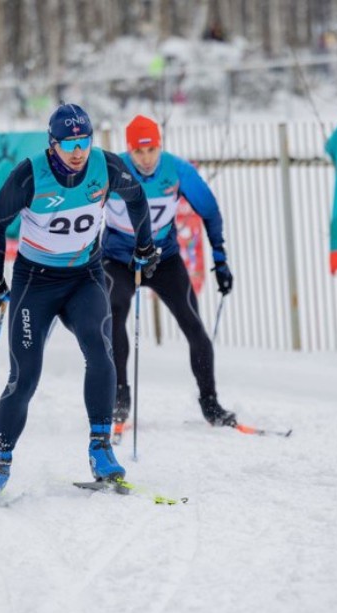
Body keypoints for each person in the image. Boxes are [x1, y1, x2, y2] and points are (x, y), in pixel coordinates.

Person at [0, 103, 158, 496]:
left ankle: (101, 448)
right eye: (69, 143)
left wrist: (145, 247)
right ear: (52, 144)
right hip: (34, 282)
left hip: (84, 277)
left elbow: (137, 200)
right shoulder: (30, 175)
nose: (78, 151)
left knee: (100, 348)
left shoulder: (105, 166)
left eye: (84, 141)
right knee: (24, 376)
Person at [102, 114, 236, 429]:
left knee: (194, 326)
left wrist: (220, 258)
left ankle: (211, 404)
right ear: (129, 150)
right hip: (119, 258)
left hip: (164, 259)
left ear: (159, 147)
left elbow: (210, 211)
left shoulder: (177, 170)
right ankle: (119, 398)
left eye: (151, 151)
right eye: (139, 152)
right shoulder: (111, 171)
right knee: (114, 312)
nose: (146, 159)